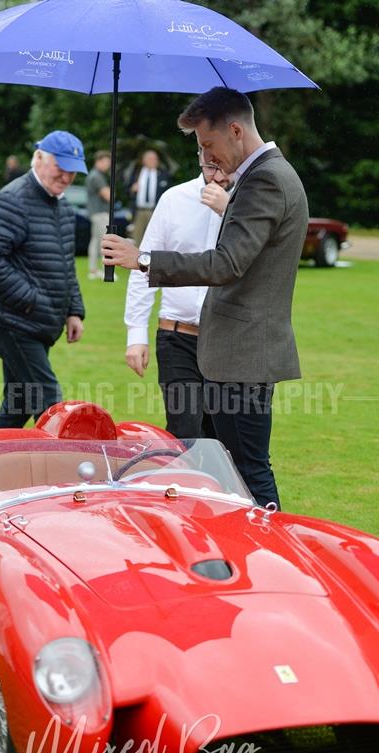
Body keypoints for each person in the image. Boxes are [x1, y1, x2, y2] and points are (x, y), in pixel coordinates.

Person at [102, 87, 309, 509]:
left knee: (247, 472)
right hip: (234, 352)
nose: (208, 157)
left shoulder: (265, 179)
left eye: (209, 144)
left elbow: (225, 264)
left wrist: (141, 259)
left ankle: (273, 563)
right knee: (222, 470)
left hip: (243, 355)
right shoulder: (263, 176)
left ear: (235, 130)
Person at [0, 130, 87, 428]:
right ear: (38, 158)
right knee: (51, 405)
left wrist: (73, 310)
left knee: (19, 404)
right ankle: (70, 468)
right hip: (13, 324)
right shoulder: (13, 199)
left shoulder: (63, 206)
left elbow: (65, 263)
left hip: (40, 323)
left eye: (73, 172)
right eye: (60, 167)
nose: (66, 177)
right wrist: (30, 301)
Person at [124, 161, 234, 439]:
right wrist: (136, 334)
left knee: (224, 438)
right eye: (211, 167)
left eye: (224, 168)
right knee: (185, 434)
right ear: (198, 157)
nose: (217, 176)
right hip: (177, 337)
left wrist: (230, 210)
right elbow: (144, 265)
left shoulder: (247, 205)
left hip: (229, 342)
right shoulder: (174, 199)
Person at [127, 149, 171, 245]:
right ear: (144, 160)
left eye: (155, 159)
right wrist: (132, 189)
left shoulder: (163, 175)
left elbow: (168, 193)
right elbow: (127, 190)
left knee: (154, 237)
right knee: (136, 238)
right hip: (139, 211)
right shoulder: (136, 174)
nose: (153, 161)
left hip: (155, 211)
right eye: (150, 158)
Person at [85, 150, 111, 279]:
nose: (108, 165)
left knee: (95, 242)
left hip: (95, 213)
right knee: (105, 242)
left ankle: (93, 270)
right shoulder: (97, 176)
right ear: (98, 161)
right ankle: (106, 271)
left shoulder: (94, 175)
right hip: (100, 213)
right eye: (106, 162)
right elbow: (108, 196)